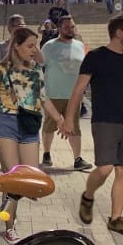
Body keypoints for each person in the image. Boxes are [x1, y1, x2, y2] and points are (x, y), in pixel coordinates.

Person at [63, 13, 123, 236]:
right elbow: (79, 89)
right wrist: (69, 118)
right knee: (105, 168)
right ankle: (88, 195)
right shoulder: (96, 57)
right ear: (119, 33)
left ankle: (116, 218)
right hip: (105, 121)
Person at [0, 27, 64, 243]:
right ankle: (9, 225)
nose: (34, 50)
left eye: (36, 45)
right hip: (6, 124)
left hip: (29, 125)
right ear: (16, 46)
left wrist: (60, 120)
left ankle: (8, 200)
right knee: (13, 180)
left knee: (29, 179)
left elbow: (44, 99)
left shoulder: (36, 70)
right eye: (30, 46)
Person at [40, 16, 92, 171]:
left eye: (72, 27)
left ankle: (77, 158)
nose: (70, 30)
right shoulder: (49, 46)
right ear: (59, 29)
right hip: (53, 94)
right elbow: (39, 65)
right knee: (49, 125)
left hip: (74, 96)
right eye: (67, 27)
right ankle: (46, 153)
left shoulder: (80, 45)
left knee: (74, 127)